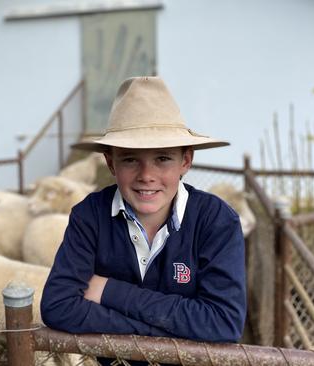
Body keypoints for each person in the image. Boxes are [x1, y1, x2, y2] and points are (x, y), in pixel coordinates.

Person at [40, 76, 246, 365]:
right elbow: (58, 306)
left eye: (163, 158)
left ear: (185, 161)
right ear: (110, 162)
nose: (146, 175)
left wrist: (109, 290)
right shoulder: (90, 216)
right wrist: (166, 335)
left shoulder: (217, 222)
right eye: (130, 159)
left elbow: (223, 323)